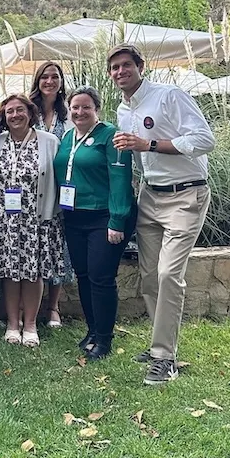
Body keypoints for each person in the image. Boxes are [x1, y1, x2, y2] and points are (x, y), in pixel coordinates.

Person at [110, 44, 215, 385]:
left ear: (140, 66)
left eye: (126, 65)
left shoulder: (170, 96)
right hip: (150, 195)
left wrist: (150, 144)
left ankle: (164, 358)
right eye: (114, 67)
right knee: (151, 276)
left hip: (186, 194)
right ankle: (161, 345)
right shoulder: (122, 110)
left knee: (169, 273)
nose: (120, 71)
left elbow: (204, 140)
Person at [54, 87, 137, 359]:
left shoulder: (111, 136)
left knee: (101, 277)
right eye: (75, 107)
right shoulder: (68, 137)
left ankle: (104, 339)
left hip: (105, 216)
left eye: (86, 107)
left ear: (96, 109)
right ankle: (92, 330)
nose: (80, 112)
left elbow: (121, 179)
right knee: (84, 275)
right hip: (75, 216)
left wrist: (117, 220)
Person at [0, 94, 64, 347]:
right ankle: (13, 323)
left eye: (20, 110)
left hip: (38, 219)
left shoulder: (49, 141)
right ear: (4, 117)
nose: (15, 115)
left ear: (30, 112)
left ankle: (31, 324)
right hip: (7, 221)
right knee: (11, 272)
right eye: (10, 111)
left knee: (33, 273)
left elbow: (59, 177)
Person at [30, 61, 75, 327]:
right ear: (37, 81)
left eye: (54, 76)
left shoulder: (69, 112)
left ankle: (53, 306)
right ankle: (30, 305)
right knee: (34, 246)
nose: (49, 81)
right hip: (31, 189)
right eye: (44, 77)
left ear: (61, 81)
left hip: (61, 187)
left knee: (58, 245)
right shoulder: (28, 109)